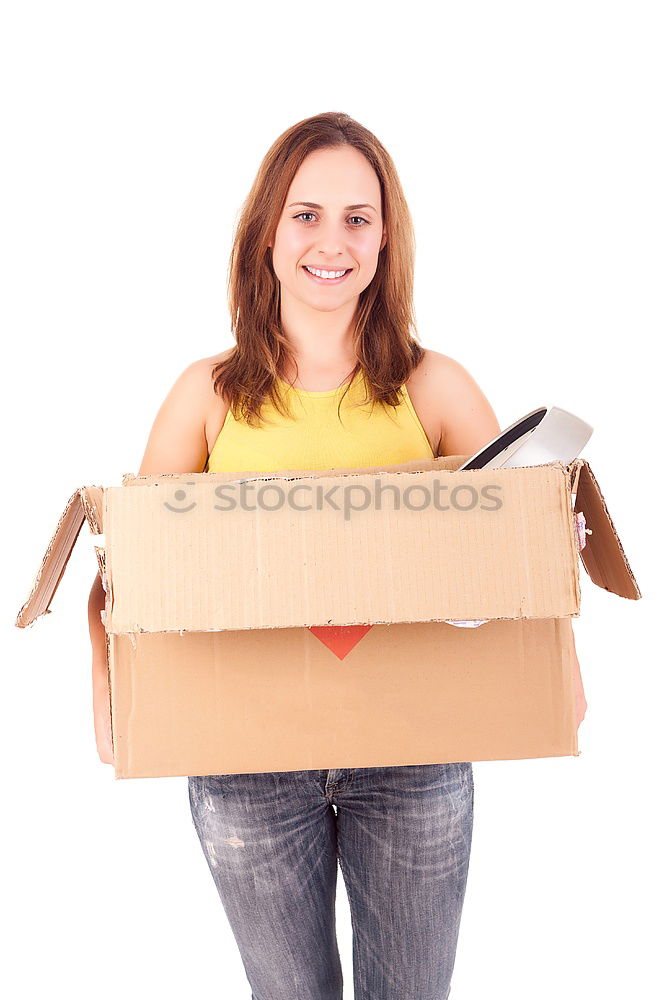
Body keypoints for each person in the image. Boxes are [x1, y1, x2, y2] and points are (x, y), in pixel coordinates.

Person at [88, 111, 587, 999]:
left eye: (357, 217)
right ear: (266, 233)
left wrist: (542, 568)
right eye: (306, 214)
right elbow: (143, 577)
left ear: (385, 238)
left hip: (414, 756)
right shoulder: (204, 395)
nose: (332, 241)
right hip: (245, 763)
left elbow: (507, 567)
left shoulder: (435, 386)